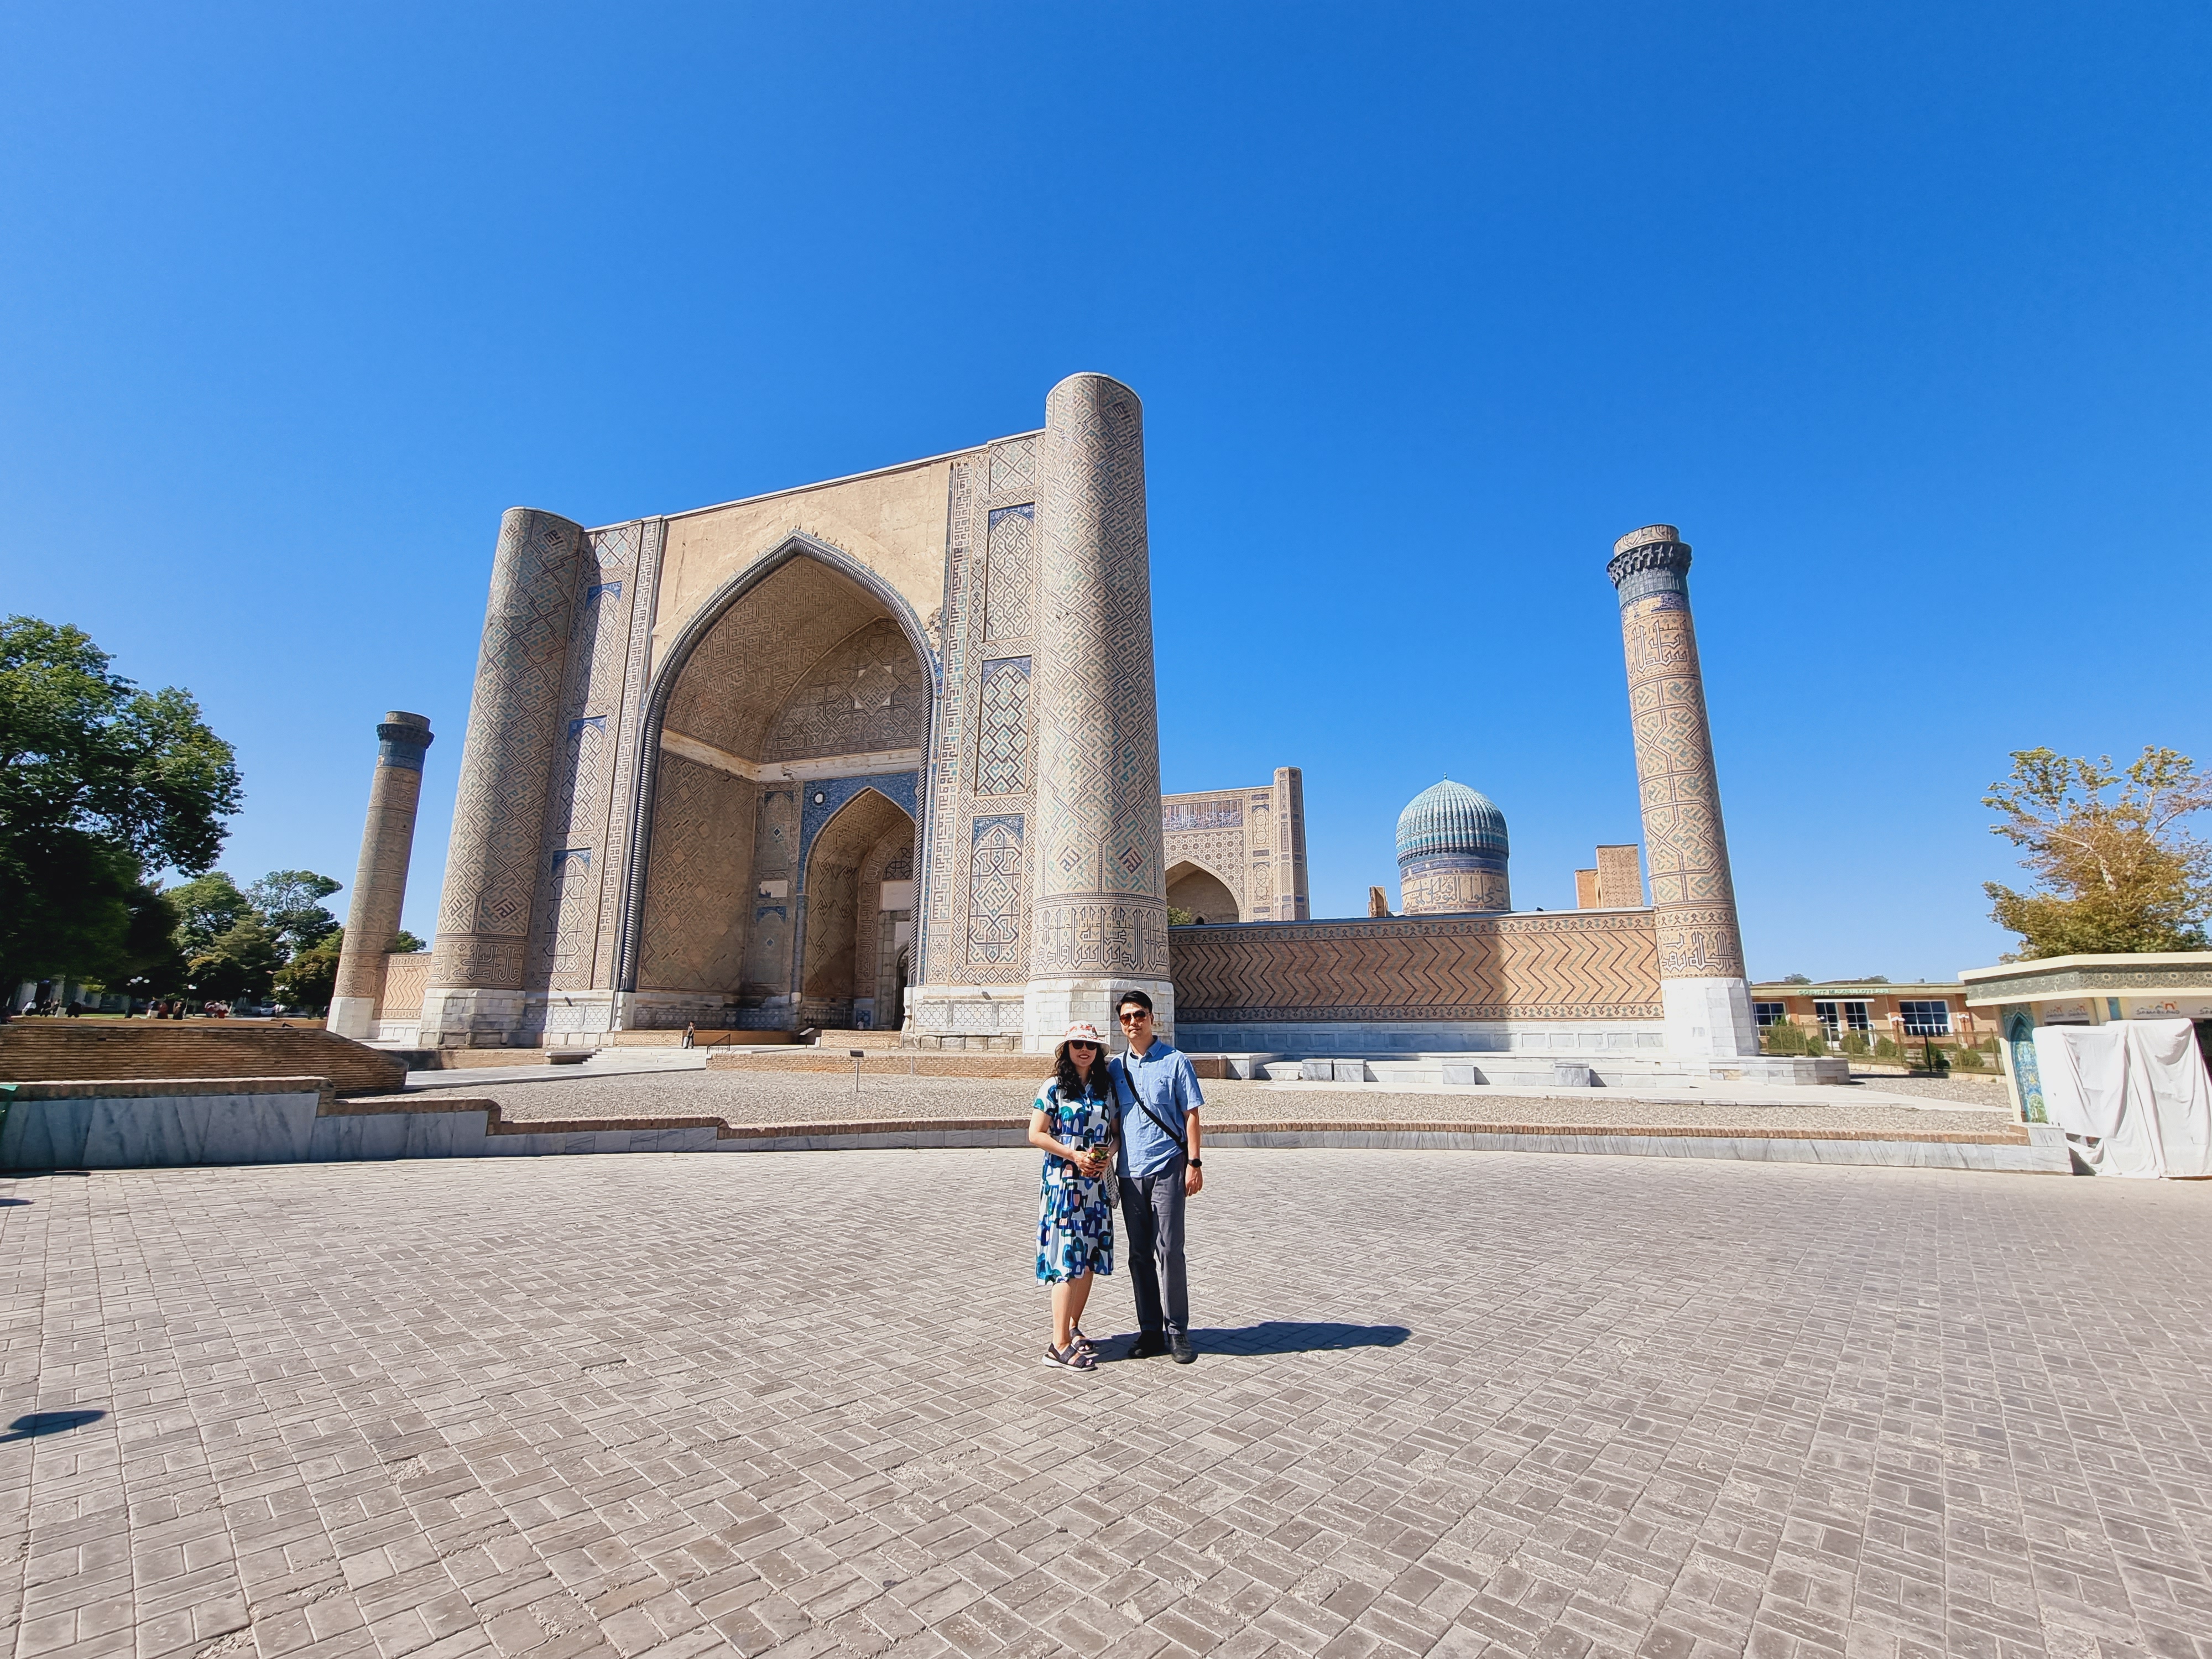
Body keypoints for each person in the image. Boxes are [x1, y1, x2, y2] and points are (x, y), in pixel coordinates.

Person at [1108, 989, 1204, 1364]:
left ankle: (1177, 1331)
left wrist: (1194, 1163)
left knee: (1170, 1251)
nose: (1134, 1022)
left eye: (1140, 1015)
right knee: (1139, 1255)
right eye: (1127, 1017)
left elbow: (1191, 1114)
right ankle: (1150, 1331)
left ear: (1153, 1018)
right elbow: (1114, 1122)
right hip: (1130, 1172)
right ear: (1121, 1023)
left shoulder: (1176, 1061)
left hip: (1168, 1166)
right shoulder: (1116, 1068)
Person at [1027, 1021, 1117, 1371]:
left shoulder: (1103, 1089)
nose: (1085, 1050)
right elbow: (1036, 1133)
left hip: (1093, 1184)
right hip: (1063, 1184)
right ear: (1066, 1049)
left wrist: (1107, 1155)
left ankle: (1073, 1327)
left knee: (1089, 1257)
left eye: (1091, 1046)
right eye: (1078, 1044)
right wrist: (1073, 1154)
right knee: (1067, 1260)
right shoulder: (1053, 1087)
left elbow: (1114, 1133)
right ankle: (1058, 1343)